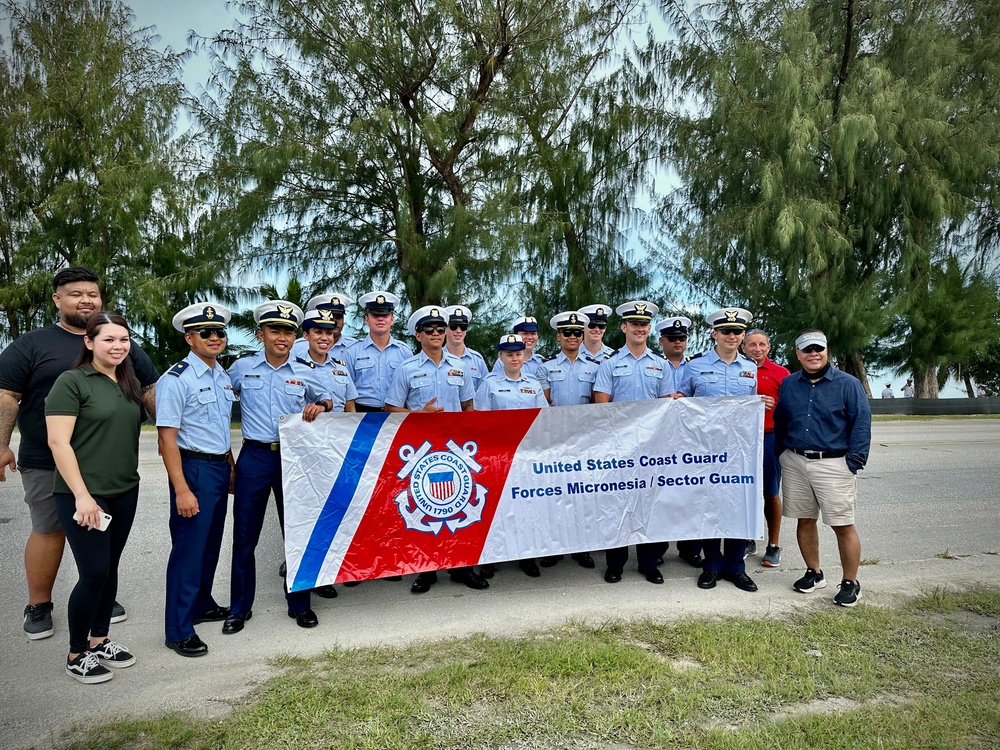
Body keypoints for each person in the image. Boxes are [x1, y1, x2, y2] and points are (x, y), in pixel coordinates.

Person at [0, 267, 157, 641]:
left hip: (107, 463)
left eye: (92, 293)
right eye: (75, 293)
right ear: (57, 300)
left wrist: (169, 431)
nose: (85, 299)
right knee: (50, 528)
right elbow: (7, 396)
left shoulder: (122, 343)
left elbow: (149, 388)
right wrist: (2, 443)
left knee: (102, 539)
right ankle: (39, 605)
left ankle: (96, 592)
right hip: (46, 459)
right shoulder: (31, 345)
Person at [45, 312, 145, 683]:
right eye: (109, 340)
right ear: (89, 343)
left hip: (124, 490)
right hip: (84, 495)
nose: (118, 346)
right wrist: (83, 497)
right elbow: (59, 442)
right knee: (94, 572)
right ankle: (77, 652)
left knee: (111, 567)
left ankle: (100, 639)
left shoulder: (127, 381)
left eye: (124, 339)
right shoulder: (71, 382)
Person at [225, 301, 332, 633]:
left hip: (293, 458)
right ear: (262, 334)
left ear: (295, 336)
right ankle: (239, 608)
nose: (282, 337)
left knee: (297, 534)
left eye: (288, 331)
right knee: (245, 536)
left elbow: (328, 397)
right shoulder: (241, 369)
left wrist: (321, 405)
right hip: (255, 457)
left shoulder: (303, 370)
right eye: (275, 331)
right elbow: (220, 401)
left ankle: (300, 605)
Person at [385, 305, 485, 594]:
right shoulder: (406, 369)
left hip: (456, 451)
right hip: (422, 451)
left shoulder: (460, 366)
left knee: (461, 508)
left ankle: (463, 567)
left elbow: (469, 406)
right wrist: (419, 414)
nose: (437, 334)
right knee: (426, 509)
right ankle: (426, 570)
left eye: (440, 329)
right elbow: (390, 407)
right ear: (418, 335)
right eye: (429, 329)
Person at [156, 303, 236, 658]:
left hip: (218, 467)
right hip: (194, 470)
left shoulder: (222, 375)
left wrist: (231, 464)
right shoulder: (176, 379)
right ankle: (178, 628)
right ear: (189, 338)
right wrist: (182, 489)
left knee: (209, 545)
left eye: (219, 332)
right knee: (189, 550)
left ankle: (201, 604)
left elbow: (219, 429)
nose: (215, 338)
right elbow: (166, 439)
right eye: (206, 333)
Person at [773, 329, 872, 607]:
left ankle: (851, 581)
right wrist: (782, 453)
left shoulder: (848, 384)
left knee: (842, 525)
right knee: (804, 519)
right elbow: (781, 419)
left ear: (827, 350)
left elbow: (861, 424)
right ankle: (814, 573)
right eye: (807, 349)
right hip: (795, 461)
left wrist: (853, 462)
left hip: (834, 463)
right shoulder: (790, 383)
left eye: (818, 348)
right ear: (798, 353)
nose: (813, 354)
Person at [674, 308, 761, 593]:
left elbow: (751, 407)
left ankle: (736, 567)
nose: (732, 336)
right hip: (704, 451)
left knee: (737, 506)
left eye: (737, 331)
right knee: (708, 507)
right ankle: (711, 564)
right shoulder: (694, 366)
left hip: (739, 451)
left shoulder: (750, 368)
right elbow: (680, 403)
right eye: (726, 331)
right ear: (715, 334)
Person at [593, 300, 672, 584]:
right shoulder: (610, 364)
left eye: (644, 324)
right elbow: (601, 407)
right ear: (624, 327)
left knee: (649, 505)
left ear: (649, 328)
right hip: (619, 447)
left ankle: (648, 563)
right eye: (634, 324)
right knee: (618, 504)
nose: (639, 329)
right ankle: (615, 563)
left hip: (651, 448)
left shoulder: (661, 366)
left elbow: (666, 407)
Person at [474, 334, 549, 577]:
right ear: (501, 356)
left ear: (524, 355)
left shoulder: (533, 383)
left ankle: (526, 556)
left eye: (518, 354)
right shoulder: (489, 383)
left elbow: (544, 419)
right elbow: (480, 421)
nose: (514, 358)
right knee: (495, 506)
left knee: (526, 506)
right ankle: (490, 557)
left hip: (527, 454)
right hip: (498, 455)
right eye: (509, 354)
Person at [535, 311, 599, 570]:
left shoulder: (595, 367)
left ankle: (581, 547)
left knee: (582, 497)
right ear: (558, 336)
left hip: (585, 440)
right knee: (555, 495)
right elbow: (545, 403)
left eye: (577, 333)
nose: (572, 337)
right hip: (555, 440)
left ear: (582, 335)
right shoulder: (545, 367)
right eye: (567, 333)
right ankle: (554, 547)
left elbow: (598, 405)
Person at [655, 315, 702, 569]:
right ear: (662, 340)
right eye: (672, 338)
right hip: (660, 440)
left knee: (690, 493)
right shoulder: (654, 364)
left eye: (682, 338)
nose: (677, 342)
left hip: (690, 439)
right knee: (661, 493)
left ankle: (690, 548)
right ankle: (659, 547)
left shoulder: (696, 366)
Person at [741, 329, 790, 568]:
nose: (757, 349)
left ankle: (773, 544)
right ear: (743, 347)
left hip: (769, 437)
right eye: (752, 345)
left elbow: (791, 408)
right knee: (742, 489)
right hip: (741, 439)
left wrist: (775, 404)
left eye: (762, 344)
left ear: (769, 348)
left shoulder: (781, 373)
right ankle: (747, 538)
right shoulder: (735, 369)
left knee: (770, 491)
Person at [343, 291, 411, 411]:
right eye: (375, 315)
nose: (380, 319)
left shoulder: (404, 352)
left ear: (392, 319)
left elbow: (409, 390)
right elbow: (347, 391)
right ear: (367, 320)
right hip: (362, 414)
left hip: (396, 415)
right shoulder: (352, 351)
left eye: (385, 315)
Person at [291, 292, 357, 361]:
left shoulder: (354, 346)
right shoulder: (297, 347)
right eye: (329, 317)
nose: (334, 322)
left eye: (338, 317)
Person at [444, 305, 490, 390]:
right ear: (445, 329)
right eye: (453, 326)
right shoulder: (437, 359)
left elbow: (485, 393)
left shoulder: (477, 360)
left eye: (463, 327)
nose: (458, 331)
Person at [491, 316, 548, 385]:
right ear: (515, 336)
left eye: (533, 333)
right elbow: (494, 385)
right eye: (525, 333)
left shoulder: (541, 361)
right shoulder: (501, 362)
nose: (530, 337)